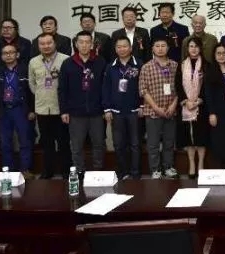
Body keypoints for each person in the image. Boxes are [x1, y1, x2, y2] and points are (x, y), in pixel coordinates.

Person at [58, 31, 107, 176]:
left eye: (87, 42)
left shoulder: (100, 62)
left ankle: (98, 172)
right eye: (81, 42)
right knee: (76, 146)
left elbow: (105, 87)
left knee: (99, 144)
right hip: (75, 113)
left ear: (92, 44)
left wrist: (105, 108)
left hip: (97, 112)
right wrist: (64, 110)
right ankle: (79, 171)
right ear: (76, 44)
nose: (84, 45)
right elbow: (62, 89)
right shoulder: (68, 63)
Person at [0, 43, 35, 177]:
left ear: (17, 55)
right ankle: (8, 171)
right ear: (2, 56)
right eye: (5, 53)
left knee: (25, 141)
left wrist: (32, 110)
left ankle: (25, 169)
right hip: (3, 111)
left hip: (21, 109)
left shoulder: (25, 70)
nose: (8, 55)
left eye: (11, 52)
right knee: (5, 143)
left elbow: (32, 91)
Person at [28, 33, 71, 179]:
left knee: (64, 143)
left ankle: (66, 172)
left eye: (49, 43)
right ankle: (48, 171)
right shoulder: (33, 62)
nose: (46, 46)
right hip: (42, 109)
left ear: (55, 43)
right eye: (42, 44)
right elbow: (32, 83)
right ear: (38, 45)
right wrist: (41, 94)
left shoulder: (65, 59)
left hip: (60, 109)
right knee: (47, 144)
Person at [102, 37, 143, 180]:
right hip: (116, 112)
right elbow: (105, 89)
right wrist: (107, 109)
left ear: (130, 48)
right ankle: (123, 172)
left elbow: (144, 86)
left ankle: (135, 173)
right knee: (119, 144)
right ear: (115, 49)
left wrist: (142, 105)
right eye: (119, 47)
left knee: (135, 144)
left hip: (135, 111)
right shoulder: (110, 66)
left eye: (125, 46)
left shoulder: (139, 64)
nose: (122, 49)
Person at [139, 38, 179, 179]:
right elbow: (143, 90)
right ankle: (155, 169)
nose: (160, 48)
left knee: (169, 142)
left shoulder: (175, 65)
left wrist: (173, 105)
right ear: (153, 49)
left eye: (163, 45)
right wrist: (156, 108)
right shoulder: (146, 67)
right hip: (153, 111)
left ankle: (168, 167)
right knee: (153, 143)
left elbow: (180, 88)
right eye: (157, 46)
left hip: (170, 111)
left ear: (168, 48)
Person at [175, 37, 209, 178]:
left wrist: (198, 100)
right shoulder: (182, 65)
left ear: (200, 48)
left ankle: (200, 164)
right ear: (187, 49)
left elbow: (208, 86)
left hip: (201, 106)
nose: (193, 49)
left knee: (201, 136)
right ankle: (192, 165)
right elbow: (177, 85)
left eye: (196, 46)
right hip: (186, 107)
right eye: (191, 46)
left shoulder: (206, 65)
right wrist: (185, 101)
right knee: (188, 138)